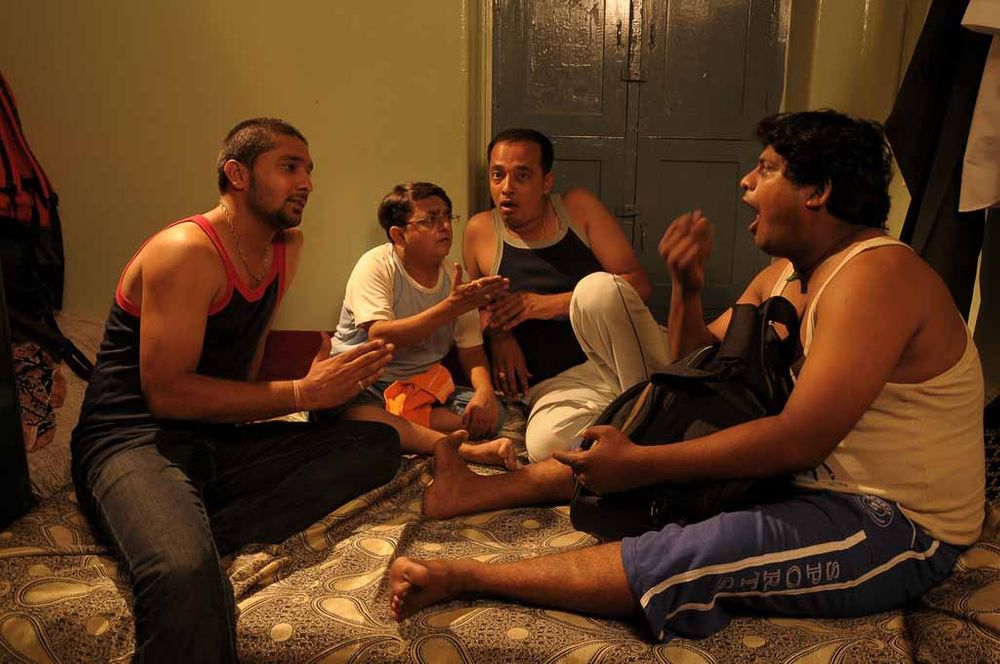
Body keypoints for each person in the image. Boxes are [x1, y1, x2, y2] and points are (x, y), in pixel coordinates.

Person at [390, 110, 985, 641]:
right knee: (642, 432)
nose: (745, 183)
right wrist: (687, 286)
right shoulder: (783, 273)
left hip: (892, 518)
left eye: (766, 170)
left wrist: (642, 465)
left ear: (818, 191)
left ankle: (467, 577)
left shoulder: (877, 276)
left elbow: (800, 439)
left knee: (696, 546)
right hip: (803, 479)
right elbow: (694, 362)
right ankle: (475, 491)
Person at [71, 118, 403, 663]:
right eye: (289, 167)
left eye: (309, 170)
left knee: (375, 445)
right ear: (238, 174)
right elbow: (167, 395)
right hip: (131, 440)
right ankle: (184, 537)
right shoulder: (186, 250)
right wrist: (300, 393)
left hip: (211, 438)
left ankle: (203, 525)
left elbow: (244, 367)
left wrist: (325, 384)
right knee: (183, 572)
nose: (307, 183)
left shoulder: (285, 248)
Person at [463, 128, 671, 461]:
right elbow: (475, 310)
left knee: (596, 289)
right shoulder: (480, 231)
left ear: (546, 182)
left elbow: (637, 285)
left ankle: (651, 406)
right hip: (561, 384)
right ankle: (637, 416)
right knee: (545, 446)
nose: (507, 188)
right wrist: (500, 335)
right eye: (497, 175)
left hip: (622, 356)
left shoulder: (577, 207)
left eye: (522, 176)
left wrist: (542, 305)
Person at [323, 181, 516, 469]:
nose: (445, 226)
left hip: (421, 389)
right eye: (430, 220)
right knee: (351, 414)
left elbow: (472, 351)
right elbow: (382, 336)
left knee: (492, 414)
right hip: (364, 382)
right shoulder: (376, 265)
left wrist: (484, 392)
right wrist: (450, 308)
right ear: (399, 235)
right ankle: (465, 450)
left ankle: (403, 426)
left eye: (447, 216)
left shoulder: (453, 278)